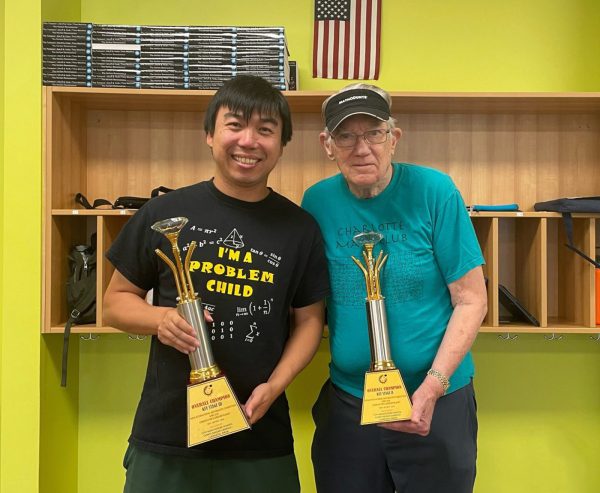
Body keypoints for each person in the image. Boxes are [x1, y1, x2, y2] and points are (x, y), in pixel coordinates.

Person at [104, 75, 330, 493]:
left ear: (282, 144)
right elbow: (115, 302)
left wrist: (276, 385)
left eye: (265, 130)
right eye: (234, 124)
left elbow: (309, 321)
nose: (249, 140)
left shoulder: (300, 229)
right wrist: (160, 320)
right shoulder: (164, 212)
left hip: (260, 438)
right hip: (168, 439)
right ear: (209, 135)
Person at [301, 83, 487, 493]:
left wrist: (433, 385)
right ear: (327, 144)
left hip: (439, 400)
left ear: (394, 138)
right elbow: (309, 302)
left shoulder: (435, 192)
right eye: (346, 135)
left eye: (374, 133)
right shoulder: (316, 202)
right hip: (350, 404)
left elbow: (471, 299)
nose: (361, 147)